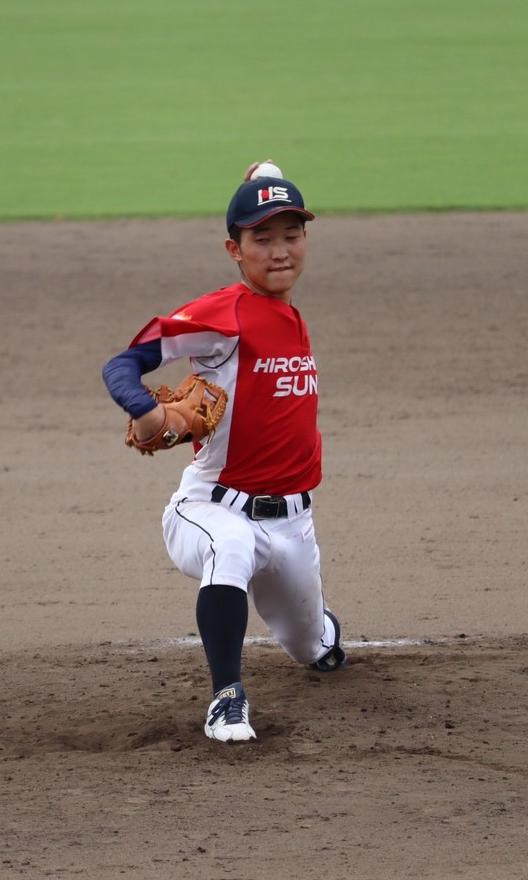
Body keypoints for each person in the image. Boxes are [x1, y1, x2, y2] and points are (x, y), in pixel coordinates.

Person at [101, 160, 345, 743]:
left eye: (292, 234)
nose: (280, 250)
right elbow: (123, 364)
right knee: (230, 545)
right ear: (234, 249)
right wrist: (148, 411)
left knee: (314, 649)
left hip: (293, 524)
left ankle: (322, 634)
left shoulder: (288, 312)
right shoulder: (223, 314)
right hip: (212, 507)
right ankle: (226, 700)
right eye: (262, 239)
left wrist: (264, 175)